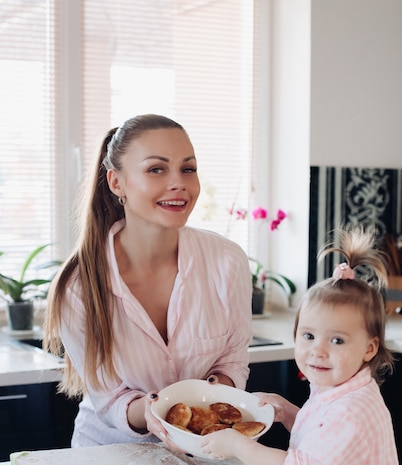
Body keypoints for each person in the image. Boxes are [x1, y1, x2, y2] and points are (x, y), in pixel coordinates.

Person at [201, 226, 402, 465]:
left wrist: (238, 445)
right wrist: (287, 413)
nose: (317, 351)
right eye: (308, 336)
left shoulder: (355, 408)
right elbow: (323, 441)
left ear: (369, 348)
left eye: (337, 340)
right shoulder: (337, 389)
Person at [44, 113, 252, 448]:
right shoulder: (79, 286)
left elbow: (232, 358)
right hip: (108, 460)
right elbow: (109, 400)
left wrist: (210, 397)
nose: (179, 182)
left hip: (205, 453)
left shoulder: (227, 261)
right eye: (157, 169)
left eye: (188, 168)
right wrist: (156, 412)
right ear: (116, 183)